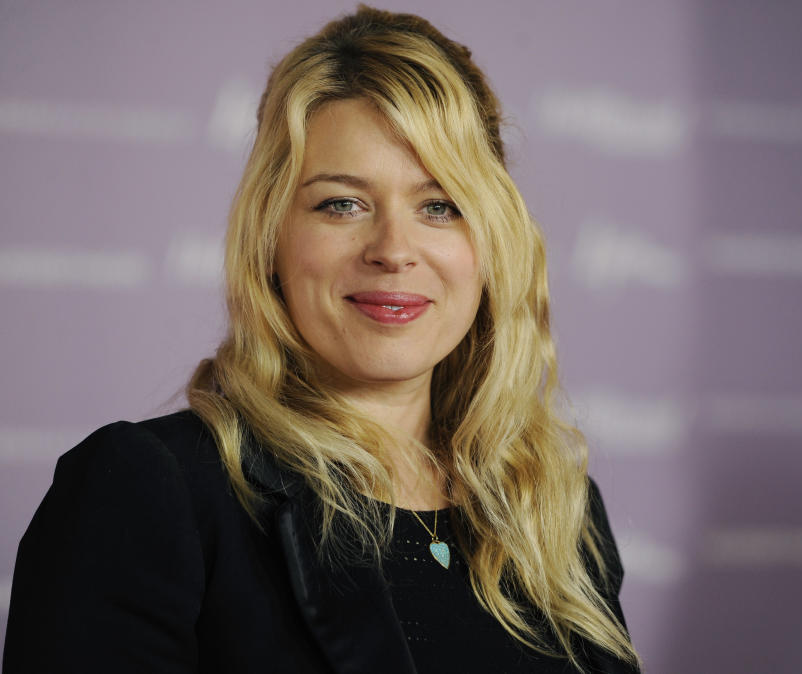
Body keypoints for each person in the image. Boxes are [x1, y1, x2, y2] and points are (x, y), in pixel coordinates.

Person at [3, 6, 642, 673]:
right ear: (272, 238)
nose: (394, 250)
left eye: (440, 204)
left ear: (491, 245)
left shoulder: (555, 511)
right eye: (342, 203)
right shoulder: (150, 491)